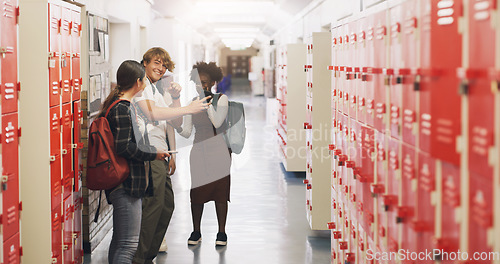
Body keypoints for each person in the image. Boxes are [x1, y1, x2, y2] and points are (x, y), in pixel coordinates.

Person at [132, 47, 210, 264]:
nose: (160, 68)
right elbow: (153, 113)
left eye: (164, 65)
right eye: (156, 62)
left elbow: (173, 123)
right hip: (148, 150)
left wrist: (176, 98)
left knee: (166, 205)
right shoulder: (141, 86)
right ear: (145, 62)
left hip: (161, 151)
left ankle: (148, 255)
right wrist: (187, 108)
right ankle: (140, 258)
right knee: (154, 205)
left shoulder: (156, 89)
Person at [101, 60, 169, 264]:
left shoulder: (119, 105)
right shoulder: (123, 108)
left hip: (125, 183)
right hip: (127, 184)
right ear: (138, 82)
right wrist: (153, 153)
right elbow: (124, 147)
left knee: (120, 242)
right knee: (128, 245)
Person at [177, 62, 232, 246]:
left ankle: (221, 233)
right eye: (198, 83)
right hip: (199, 151)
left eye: (205, 82)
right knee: (197, 192)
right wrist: (175, 124)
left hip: (219, 152)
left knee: (220, 192)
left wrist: (207, 102)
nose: (202, 86)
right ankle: (196, 231)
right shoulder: (191, 103)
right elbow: (186, 131)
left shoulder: (221, 99)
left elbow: (217, 122)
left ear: (213, 81)